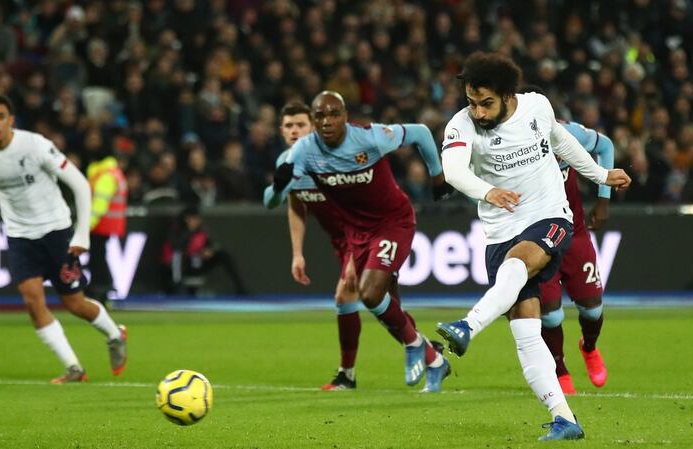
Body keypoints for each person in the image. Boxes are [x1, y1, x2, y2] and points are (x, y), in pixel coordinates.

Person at [434, 52, 631, 440]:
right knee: (527, 334)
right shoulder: (461, 124)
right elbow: (454, 171)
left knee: (519, 261)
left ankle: (467, 326)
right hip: (499, 228)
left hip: (550, 216)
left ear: (509, 95)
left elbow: (562, 141)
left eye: (486, 103)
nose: (477, 111)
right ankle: (564, 417)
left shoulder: (537, 107)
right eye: (472, 102)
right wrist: (488, 190)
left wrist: (598, 175)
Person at [265, 91, 453, 393]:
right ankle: (431, 358)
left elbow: (419, 132)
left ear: (345, 116)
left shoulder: (369, 138)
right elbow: (276, 201)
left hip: (392, 223)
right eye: (320, 116)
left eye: (333, 115)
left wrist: (437, 177)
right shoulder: (300, 154)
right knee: (385, 305)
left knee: (366, 293)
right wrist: (277, 185)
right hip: (356, 235)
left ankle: (403, 351)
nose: (326, 122)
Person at [0, 94, 128, 383]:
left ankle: (115, 334)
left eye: (0, 116)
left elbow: (79, 185)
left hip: (56, 231)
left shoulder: (36, 145)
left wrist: (81, 233)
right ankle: (74, 368)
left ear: (11, 120)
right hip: (19, 236)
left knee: (74, 304)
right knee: (32, 302)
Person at [518, 85, 612, 395]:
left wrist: (603, 200)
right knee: (552, 313)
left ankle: (589, 347)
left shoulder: (564, 130)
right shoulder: (510, 140)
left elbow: (606, 146)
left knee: (592, 309)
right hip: (536, 237)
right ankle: (559, 369)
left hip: (574, 231)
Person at [165, 204, 248, 296]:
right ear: (187, 219)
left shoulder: (201, 231)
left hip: (198, 262)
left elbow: (211, 245)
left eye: (197, 218)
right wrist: (190, 231)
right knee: (178, 256)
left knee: (223, 254)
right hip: (179, 266)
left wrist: (209, 251)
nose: (197, 221)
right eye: (194, 218)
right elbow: (177, 247)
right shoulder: (177, 229)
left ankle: (240, 289)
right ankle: (178, 289)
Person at [86, 153, 128, 309]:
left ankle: (102, 288)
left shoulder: (105, 176)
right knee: (98, 257)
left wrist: (85, 226)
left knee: (97, 258)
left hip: (100, 225)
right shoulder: (114, 173)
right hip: (108, 225)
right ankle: (102, 288)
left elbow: (99, 206)